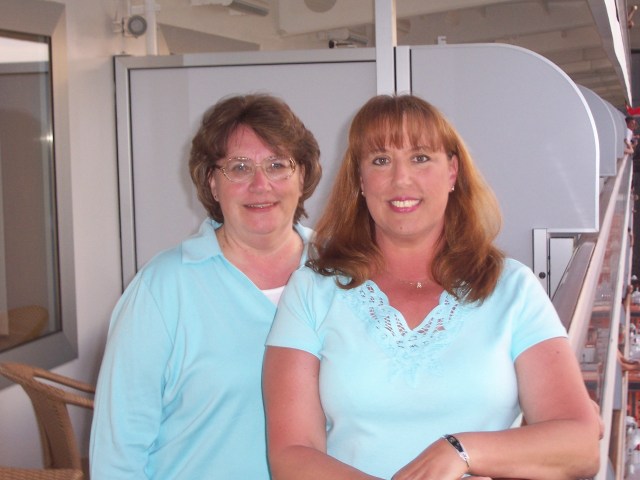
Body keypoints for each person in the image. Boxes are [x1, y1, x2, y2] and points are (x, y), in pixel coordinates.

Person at [263, 94, 601, 480]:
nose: (401, 179)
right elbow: (292, 455)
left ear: (452, 172)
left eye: (421, 158)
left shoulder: (512, 289)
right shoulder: (311, 290)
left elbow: (580, 445)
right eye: (380, 160)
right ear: (360, 180)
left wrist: (461, 450)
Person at [90, 93, 322, 479]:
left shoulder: (343, 273)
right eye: (239, 167)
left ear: (303, 176)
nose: (261, 184)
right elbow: (118, 452)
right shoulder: (163, 288)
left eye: (278, 165)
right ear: (213, 183)